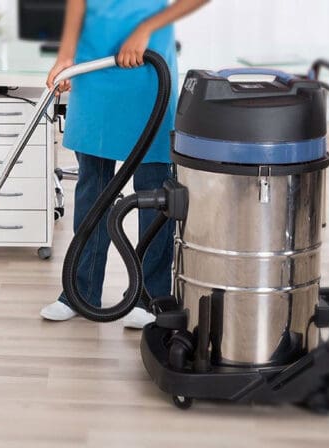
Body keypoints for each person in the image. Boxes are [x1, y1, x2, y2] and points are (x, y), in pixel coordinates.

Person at [40, 0, 209, 328]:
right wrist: (66, 55)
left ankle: (150, 297)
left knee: (154, 192)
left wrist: (146, 27)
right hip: (95, 67)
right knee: (93, 189)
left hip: (146, 68)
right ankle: (80, 292)